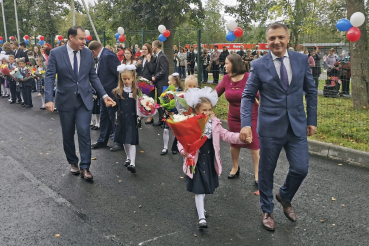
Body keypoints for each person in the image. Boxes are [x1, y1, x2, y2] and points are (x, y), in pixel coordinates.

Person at [239, 22, 317, 231]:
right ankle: (267, 210)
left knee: (301, 168)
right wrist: (246, 124)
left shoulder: (301, 60)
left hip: (296, 126)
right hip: (269, 127)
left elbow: (311, 91)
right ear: (267, 41)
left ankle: (284, 195)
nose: (277, 41)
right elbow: (247, 96)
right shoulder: (258, 64)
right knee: (267, 171)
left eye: (280, 37)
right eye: (272, 38)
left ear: (288, 39)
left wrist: (312, 120)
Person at [44, 26, 114, 180]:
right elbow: (49, 76)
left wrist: (104, 95)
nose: (84, 41)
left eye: (85, 38)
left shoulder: (88, 53)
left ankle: (85, 167)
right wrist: (48, 99)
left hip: (84, 101)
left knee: (84, 132)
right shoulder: (56, 53)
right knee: (68, 134)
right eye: (81, 38)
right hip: (65, 101)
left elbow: (93, 76)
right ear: (71, 37)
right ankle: (73, 162)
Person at [178, 87, 245, 229]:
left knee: (204, 186)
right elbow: (181, 140)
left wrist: (241, 137)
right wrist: (183, 150)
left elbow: (227, 135)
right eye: (204, 110)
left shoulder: (215, 124)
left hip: (209, 159)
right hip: (194, 160)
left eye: (209, 109)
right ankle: (202, 217)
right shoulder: (190, 123)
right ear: (196, 110)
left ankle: (200, 207)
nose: (208, 113)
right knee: (198, 188)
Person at [216, 54, 260, 189]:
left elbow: (260, 96)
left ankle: (258, 174)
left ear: (234, 64)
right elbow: (214, 95)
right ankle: (235, 168)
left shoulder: (249, 78)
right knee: (234, 143)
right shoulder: (225, 79)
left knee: (254, 144)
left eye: (227, 63)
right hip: (233, 117)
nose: (224, 65)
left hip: (251, 116)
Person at [88, 41, 123, 152]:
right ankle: (102, 140)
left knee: (114, 117)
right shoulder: (103, 55)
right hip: (104, 93)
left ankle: (120, 142)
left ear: (93, 51)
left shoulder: (108, 55)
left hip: (111, 93)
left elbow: (119, 74)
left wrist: (118, 91)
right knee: (104, 117)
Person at [113, 64, 139, 174]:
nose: (126, 81)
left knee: (131, 140)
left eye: (128, 78)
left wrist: (142, 113)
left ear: (133, 78)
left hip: (132, 118)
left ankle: (133, 163)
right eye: (124, 79)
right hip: (121, 118)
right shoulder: (117, 91)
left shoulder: (137, 91)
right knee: (124, 140)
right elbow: (115, 106)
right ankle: (128, 157)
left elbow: (141, 105)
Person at [161, 73, 183, 155]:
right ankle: (165, 147)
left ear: (174, 81)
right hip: (168, 113)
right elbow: (164, 101)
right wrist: (166, 109)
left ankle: (175, 146)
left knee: (175, 131)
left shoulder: (180, 91)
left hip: (176, 114)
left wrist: (175, 112)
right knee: (166, 130)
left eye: (169, 80)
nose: (168, 82)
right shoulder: (167, 91)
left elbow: (181, 104)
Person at [136, 43, 157, 124]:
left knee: (149, 99)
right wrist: (137, 65)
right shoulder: (140, 58)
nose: (144, 51)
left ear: (149, 50)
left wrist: (148, 60)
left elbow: (152, 70)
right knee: (141, 98)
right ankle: (141, 115)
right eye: (143, 49)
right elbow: (137, 70)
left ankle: (150, 117)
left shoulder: (153, 58)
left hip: (149, 82)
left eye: (145, 49)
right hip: (141, 82)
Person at [152, 40, 169, 127]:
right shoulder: (158, 56)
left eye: (152, 46)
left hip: (162, 83)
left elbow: (164, 70)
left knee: (162, 102)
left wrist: (155, 77)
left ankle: (164, 120)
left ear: (155, 46)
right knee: (159, 102)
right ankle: (161, 119)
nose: (152, 47)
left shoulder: (162, 56)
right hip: (160, 83)